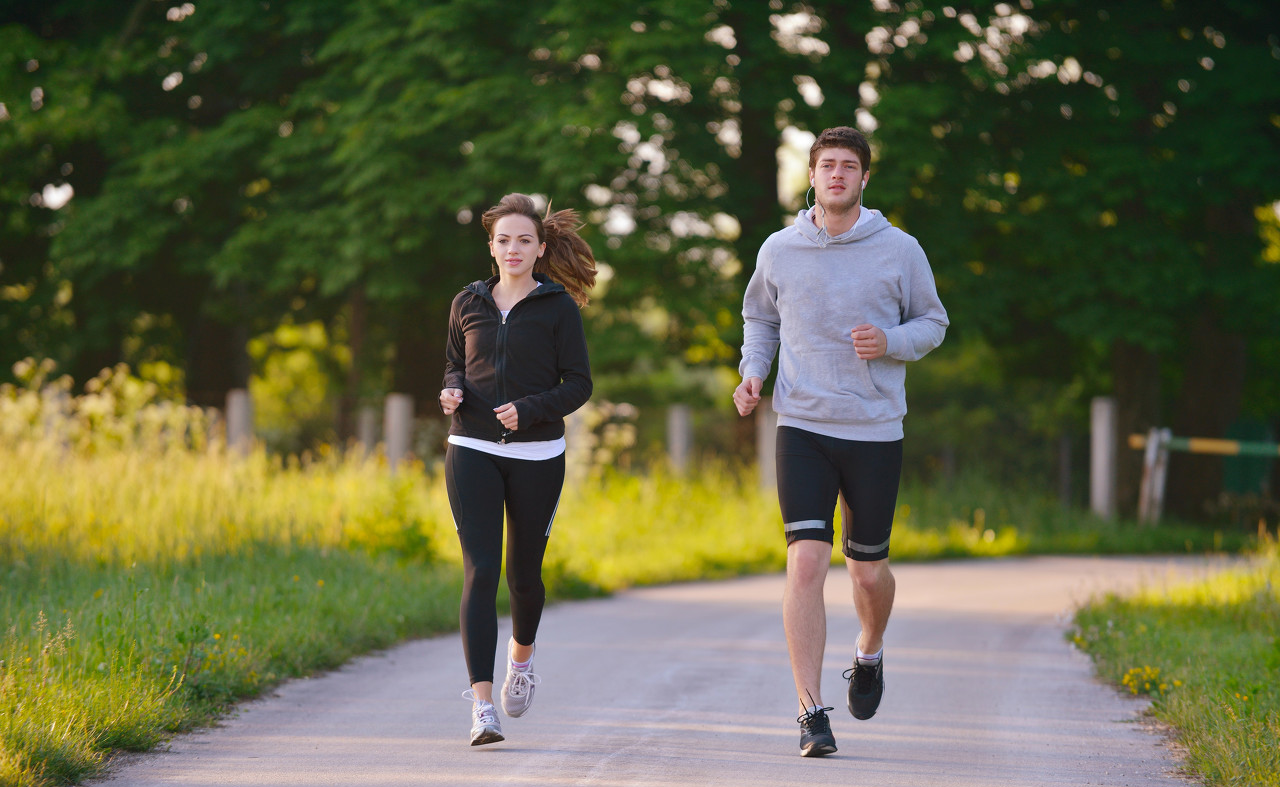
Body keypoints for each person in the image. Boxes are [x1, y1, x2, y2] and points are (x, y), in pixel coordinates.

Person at [733, 126, 948, 757]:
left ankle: (870, 651)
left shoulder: (900, 249)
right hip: (801, 423)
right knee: (806, 560)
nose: (836, 175)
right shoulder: (780, 248)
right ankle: (809, 711)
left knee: (868, 570)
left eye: (848, 167)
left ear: (863, 179)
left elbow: (933, 321)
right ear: (811, 175)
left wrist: (891, 342)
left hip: (875, 429)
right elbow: (760, 317)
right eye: (826, 165)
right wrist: (753, 372)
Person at [439, 193, 596, 746]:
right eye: (504, 240)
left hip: (536, 456)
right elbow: (456, 364)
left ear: (540, 248)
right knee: (481, 571)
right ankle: (483, 706)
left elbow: (579, 384)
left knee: (523, 577)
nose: (513, 249)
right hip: (473, 450)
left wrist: (530, 409)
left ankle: (521, 663)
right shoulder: (467, 302)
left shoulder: (557, 308)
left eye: (524, 240)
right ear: (491, 246)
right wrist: (452, 389)